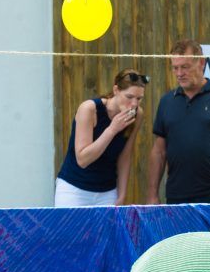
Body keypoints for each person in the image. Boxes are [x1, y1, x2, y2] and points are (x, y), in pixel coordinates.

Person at [146, 39, 210, 204]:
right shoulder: (166, 102)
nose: (179, 73)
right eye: (175, 68)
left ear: (201, 63)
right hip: (176, 199)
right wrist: (152, 195)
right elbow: (158, 152)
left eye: (185, 67)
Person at [54, 69, 148, 207]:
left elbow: (125, 155)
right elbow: (83, 159)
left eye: (139, 99)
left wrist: (121, 195)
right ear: (116, 90)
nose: (134, 104)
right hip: (74, 189)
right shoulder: (89, 109)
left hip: (107, 192)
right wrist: (112, 130)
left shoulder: (137, 114)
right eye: (129, 97)